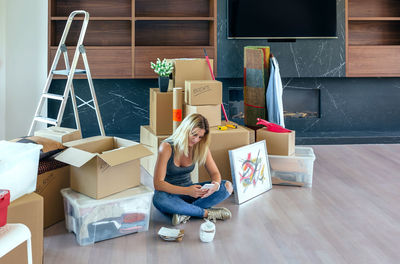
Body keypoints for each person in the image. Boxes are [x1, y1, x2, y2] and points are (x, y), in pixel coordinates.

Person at [152, 113, 233, 225]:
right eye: (194, 135)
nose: (196, 140)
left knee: (227, 186)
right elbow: (158, 184)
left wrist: (216, 185)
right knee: (158, 199)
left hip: (192, 193)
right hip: (170, 193)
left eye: (200, 137)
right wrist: (187, 191)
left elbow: (215, 173)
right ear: (185, 130)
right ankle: (206, 213)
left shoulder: (201, 147)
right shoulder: (166, 147)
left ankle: (182, 212)